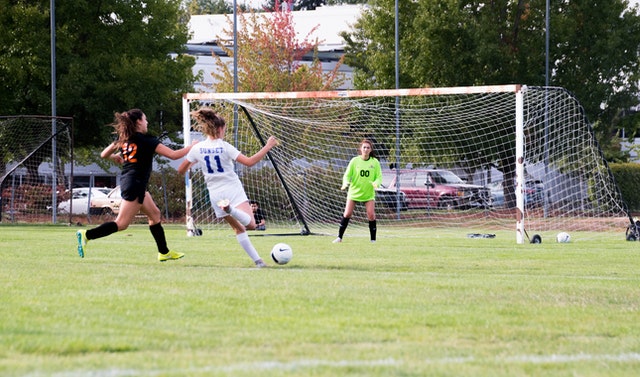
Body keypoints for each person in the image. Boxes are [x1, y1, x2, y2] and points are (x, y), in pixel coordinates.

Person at [75, 109, 194, 262]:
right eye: (145, 119)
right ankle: (87, 235)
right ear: (139, 122)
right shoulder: (147, 140)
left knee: (155, 215)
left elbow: (103, 154)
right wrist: (192, 146)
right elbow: (173, 155)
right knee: (122, 224)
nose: (147, 122)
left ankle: (164, 252)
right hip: (135, 183)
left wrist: (115, 157)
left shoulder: (124, 138)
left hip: (132, 182)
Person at [177, 108, 279, 268]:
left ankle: (258, 261)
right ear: (219, 129)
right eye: (224, 129)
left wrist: (195, 159)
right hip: (232, 188)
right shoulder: (225, 146)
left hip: (216, 194)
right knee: (251, 224)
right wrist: (268, 146)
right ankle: (230, 209)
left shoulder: (197, 148)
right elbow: (249, 162)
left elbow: (181, 170)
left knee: (238, 229)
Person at [333, 139, 382, 243]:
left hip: (368, 193)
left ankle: (373, 240)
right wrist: (345, 183)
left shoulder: (375, 162)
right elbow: (347, 174)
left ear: (371, 149)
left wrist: (376, 183)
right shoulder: (354, 161)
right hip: (354, 192)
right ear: (360, 149)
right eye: (364, 147)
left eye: (368, 147)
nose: (366, 149)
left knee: (371, 215)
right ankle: (339, 237)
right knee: (347, 214)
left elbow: (379, 177)